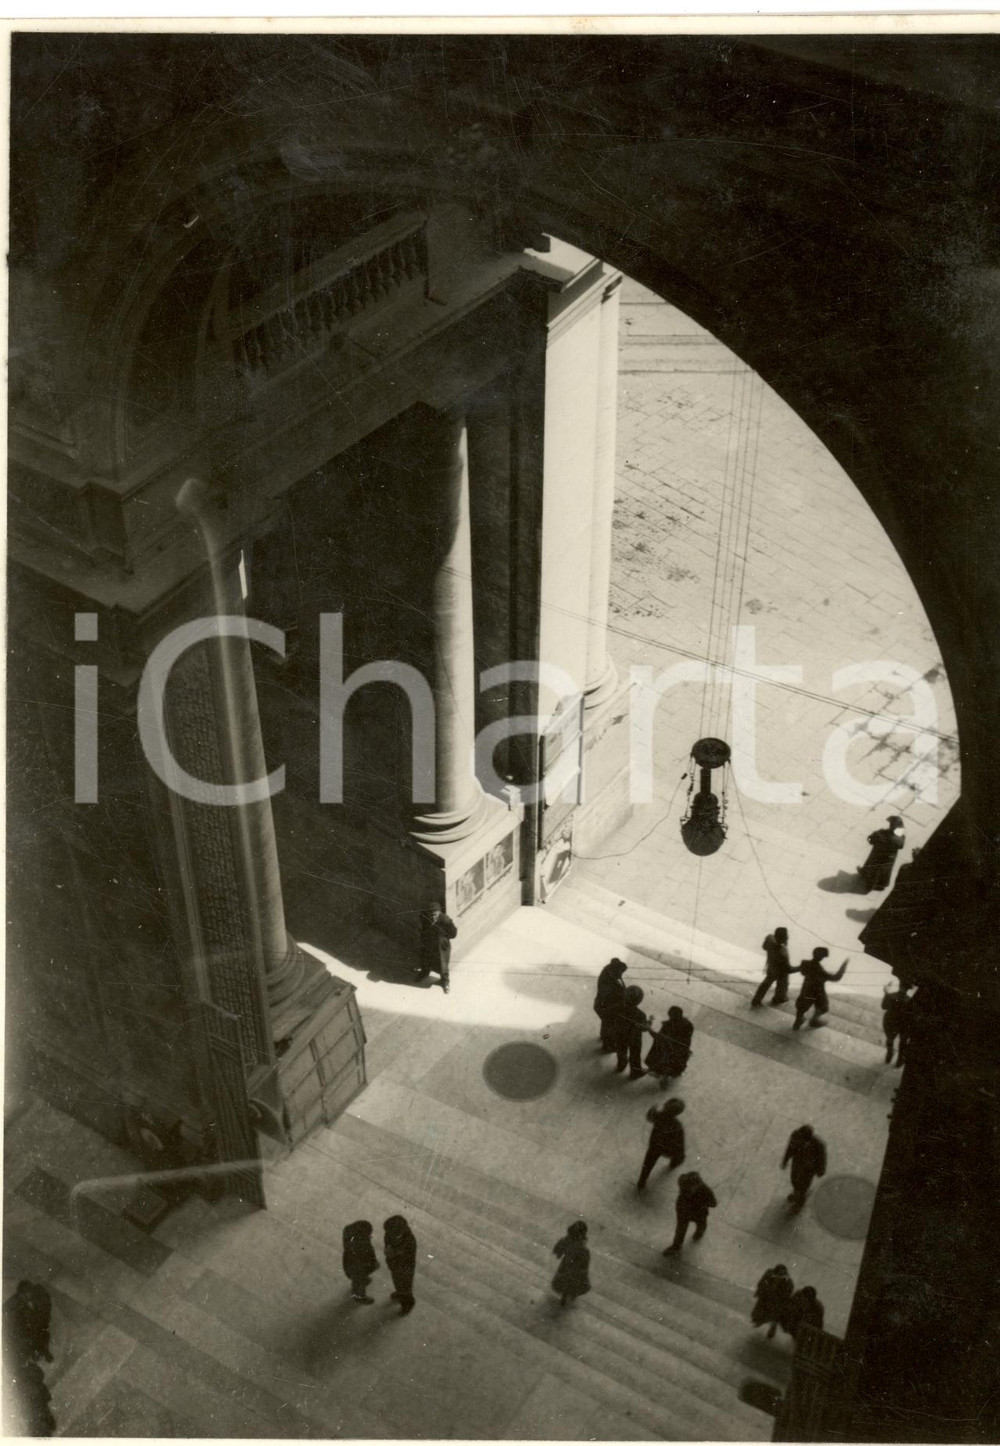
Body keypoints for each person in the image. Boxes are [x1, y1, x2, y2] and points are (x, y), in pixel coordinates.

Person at [636, 1098, 686, 1189]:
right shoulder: (677, 1125)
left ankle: (641, 1181)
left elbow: (650, 1116)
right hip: (667, 1147)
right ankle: (673, 1163)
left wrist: (653, 1108)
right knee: (676, 1157)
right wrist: (681, 1154)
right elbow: (680, 1141)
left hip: (654, 1145)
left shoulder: (658, 1115)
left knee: (648, 1164)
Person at [792, 948, 848, 1030]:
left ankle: (798, 1021)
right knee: (823, 1007)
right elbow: (836, 977)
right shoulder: (820, 971)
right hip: (818, 992)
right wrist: (844, 965)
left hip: (806, 988)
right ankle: (814, 1021)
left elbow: (802, 971)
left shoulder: (805, 963)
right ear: (821, 958)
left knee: (801, 1006)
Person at [663, 1172, 717, 1254]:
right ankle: (676, 1245)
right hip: (684, 1212)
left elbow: (714, 1204)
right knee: (680, 1230)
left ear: (697, 1185)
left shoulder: (705, 1191)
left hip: (699, 1213)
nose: (686, 1191)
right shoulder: (684, 1186)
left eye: (690, 1188)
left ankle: (699, 1232)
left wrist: (703, 1203)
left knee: (701, 1225)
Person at [3, 1281, 53, 1367]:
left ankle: (41, 1350)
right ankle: (40, 1350)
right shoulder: (16, 1305)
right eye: (28, 1295)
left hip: (17, 1334)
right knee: (40, 1333)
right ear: (23, 1292)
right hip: (13, 1336)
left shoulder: (18, 1303)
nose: (29, 1299)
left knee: (40, 1332)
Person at [645, 1006, 694, 1084]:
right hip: (681, 1049)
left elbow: (658, 1037)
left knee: (664, 1061)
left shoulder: (668, 1026)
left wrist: (649, 1028)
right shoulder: (688, 1024)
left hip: (668, 1049)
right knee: (676, 1063)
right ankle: (671, 1074)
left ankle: (664, 1075)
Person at [751, 927, 798, 1008]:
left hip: (771, 966)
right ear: (784, 938)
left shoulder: (769, 938)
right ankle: (778, 998)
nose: (788, 937)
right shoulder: (782, 953)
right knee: (782, 985)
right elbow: (789, 969)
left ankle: (756, 1000)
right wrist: (801, 967)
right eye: (786, 936)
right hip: (779, 971)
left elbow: (764, 947)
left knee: (766, 983)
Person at [782, 1125, 827, 1207]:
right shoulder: (795, 1136)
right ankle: (796, 1193)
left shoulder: (818, 1145)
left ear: (808, 1140)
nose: (800, 1142)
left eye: (802, 1141)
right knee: (794, 1180)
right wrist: (785, 1160)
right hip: (797, 1163)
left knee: (804, 1185)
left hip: (809, 1168)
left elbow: (822, 1159)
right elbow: (790, 1149)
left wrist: (820, 1171)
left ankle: (800, 1200)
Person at [858, 815, 906, 893]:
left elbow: (870, 839)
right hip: (890, 858)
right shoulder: (901, 837)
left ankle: (868, 886)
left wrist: (876, 834)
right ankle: (881, 885)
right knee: (885, 872)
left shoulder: (882, 834)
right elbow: (901, 846)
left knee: (874, 871)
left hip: (878, 855)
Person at [417, 902, 457, 993]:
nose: (432, 917)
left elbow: (453, 933)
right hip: (428, 944)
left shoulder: (445, 920)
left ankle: (445, 982)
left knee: (443, 965)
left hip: (441, 947)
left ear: (439, 913)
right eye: (430, 915)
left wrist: (444, 939)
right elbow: (421, 928)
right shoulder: (425, 918)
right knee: (425, 959)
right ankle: (424, 973)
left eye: (435, 915)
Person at [613, 985, 650, 1079]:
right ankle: (635, 1072)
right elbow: (644, 1028)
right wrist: (649, 1023)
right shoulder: (640, 1015)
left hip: (619, 1033)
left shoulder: (617, 1006)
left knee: (621, 1050)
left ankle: (621, 1065)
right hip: (634, 1038)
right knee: (635, 1054)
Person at [551, 1220, 591, 1307]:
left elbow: (560, 1246)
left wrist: (559, 1254)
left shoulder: (569, 1239)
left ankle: (564, 1296)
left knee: (565, 1280)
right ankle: (572, 1294)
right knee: (575, 1282)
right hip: (577, 1267)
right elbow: (585, 1258)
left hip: (567, 1264)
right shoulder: (582, 1245)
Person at [384, 1215, 417, 1316]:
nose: (388, 1234)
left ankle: (408, 1304)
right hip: (394, 1266)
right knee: (398, 1283)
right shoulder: (389, 1235)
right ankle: (400, 1293)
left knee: (405, 1287)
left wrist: (394, 1252)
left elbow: (407, 1257)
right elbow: (387, 1244)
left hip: (405, 1268)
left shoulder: (410, 1241)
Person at [594, 958, 628, 1053]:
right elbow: (609, 997)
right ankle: (607, 1046)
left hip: (602, 1005)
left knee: (606, 1023)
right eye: (620, 972)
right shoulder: (608, 982)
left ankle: (604, 1037)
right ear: (615, 970)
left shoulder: (608, 971)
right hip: (607, 1007)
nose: (621, 975)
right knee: (610, 1026)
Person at [752, 1264, 794, 1340]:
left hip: (777, 1302)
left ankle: (772, 1327)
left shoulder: (788, 1284)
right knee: (761, 1310)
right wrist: (760, 1291)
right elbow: (762, 1282)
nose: (779, 1278)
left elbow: (785, 1298)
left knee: (775, 1315)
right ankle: (759, 1320)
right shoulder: (769, 1274)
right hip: (767, 1298)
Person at [342, 1220, 379, 1303]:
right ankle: (360, 1297)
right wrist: (373, 1262)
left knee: (357, 1279)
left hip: (350, 1264)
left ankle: (357, 1286)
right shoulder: (361, 1244)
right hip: (359, 1267)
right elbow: (367, 1254)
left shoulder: (349, 1232)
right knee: (359, 1280)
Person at [882, 982, 913, 1067]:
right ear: (908, 989)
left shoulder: (891, 996)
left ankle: (890, 1052)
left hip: (890, 1021)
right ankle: (900, 1060)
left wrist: (885, 993)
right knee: (903, 1042)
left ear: (899, 986)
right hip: (903, 1023)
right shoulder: (910, 1001)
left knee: (890, 1038)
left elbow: (883, 1006)